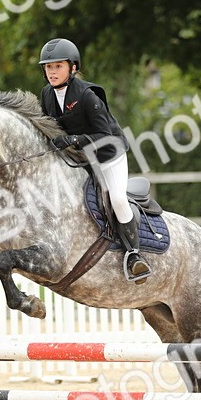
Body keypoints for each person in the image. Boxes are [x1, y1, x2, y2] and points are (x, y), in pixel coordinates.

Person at [37, 38, 150, 283]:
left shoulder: (88, 96)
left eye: (58, 66)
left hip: (109, 154)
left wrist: (74, 140)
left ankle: (134, 254)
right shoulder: (47, 94)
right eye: (48, 67)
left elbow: (105, 136)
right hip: (80, 158)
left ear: (73, 68)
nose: (52, 72)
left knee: (118, 199)